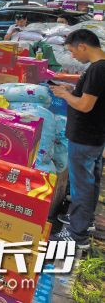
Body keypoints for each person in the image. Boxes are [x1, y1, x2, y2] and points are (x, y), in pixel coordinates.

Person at [48, 30, 105, 249]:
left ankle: (76, 235)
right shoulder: (99, 68)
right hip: (93, 136)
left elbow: (84, 105)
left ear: (82, 46)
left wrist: (64, 95)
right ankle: (84, 221)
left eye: (72, 51)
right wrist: (72, 89)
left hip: (85, 137)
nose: (73, 57)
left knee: (82, 184)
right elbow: (91, 97)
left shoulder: (98, 69)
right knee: (90, 181)